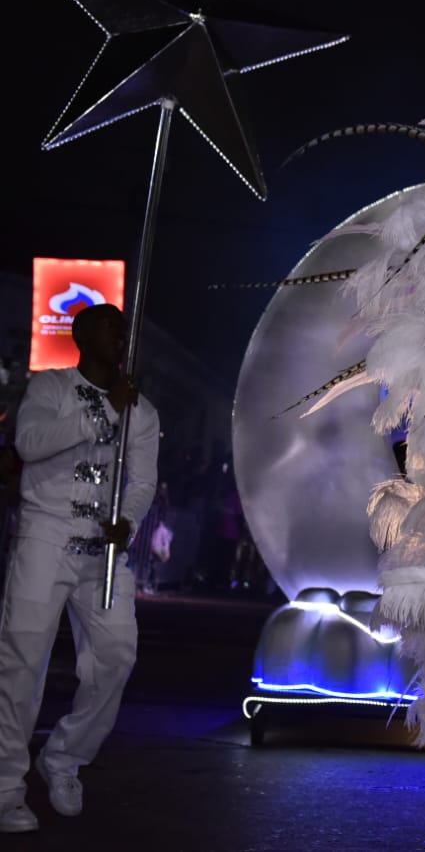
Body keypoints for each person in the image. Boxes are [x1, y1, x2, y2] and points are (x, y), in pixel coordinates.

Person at [0, 304, 159, 833]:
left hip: (103, 552)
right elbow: (30, 443)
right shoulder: (50, 388)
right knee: (23, 661)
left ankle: (64, 758)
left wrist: (128, 521)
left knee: (116, 657)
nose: (120, 333)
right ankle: (5, 789)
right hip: (44, 539)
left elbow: (139, 481)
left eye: (123, 327)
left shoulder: (143, 409)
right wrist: (102, 411)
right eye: (109, 324)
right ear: (81, 335)